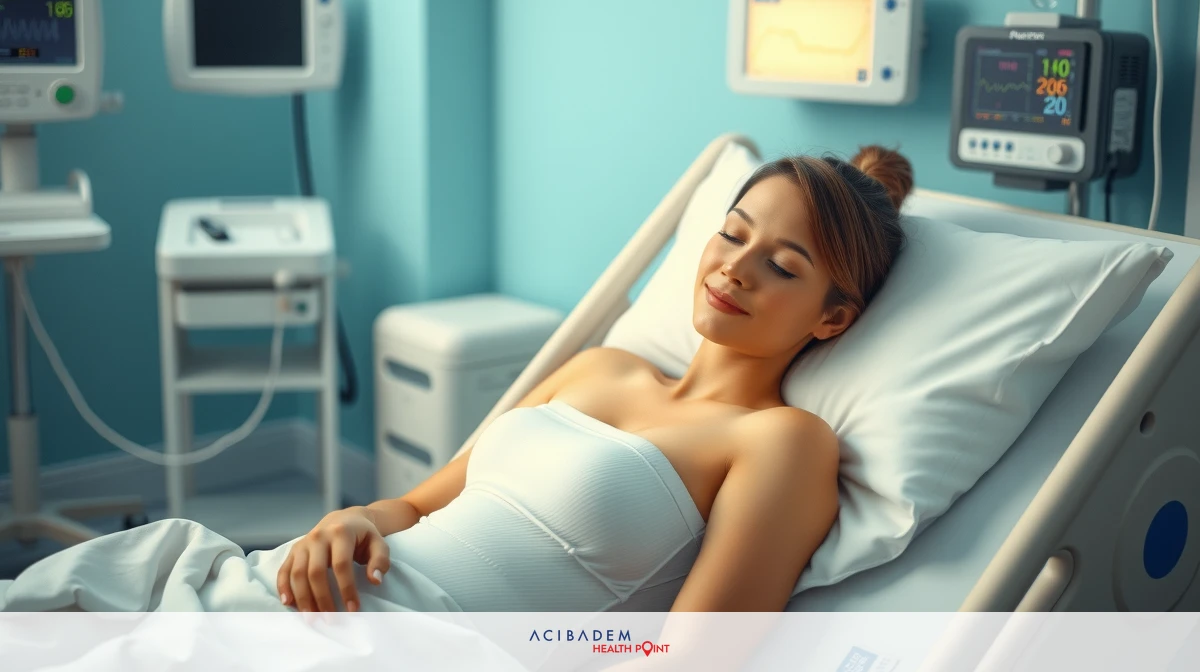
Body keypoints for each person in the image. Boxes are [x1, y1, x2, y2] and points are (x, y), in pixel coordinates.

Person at [277, 144, 913, 614]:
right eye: (731, 234)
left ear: (832, 317)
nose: (735, 268)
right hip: (312, 589)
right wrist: (353, 520)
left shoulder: (782, 441)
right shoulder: (602, 365)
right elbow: (418, 506)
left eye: (779, 265)